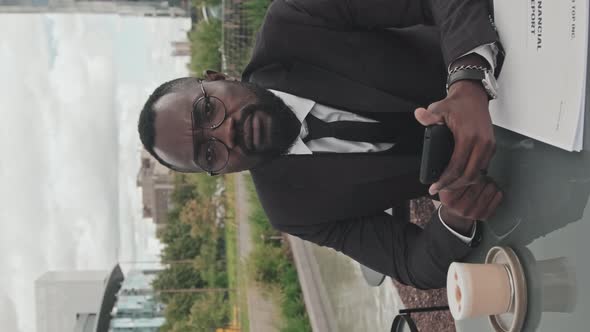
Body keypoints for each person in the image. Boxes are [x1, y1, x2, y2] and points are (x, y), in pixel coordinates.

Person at [138, 0, 505, 289]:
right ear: (217, 171)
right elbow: (410, 263)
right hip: (507, 172)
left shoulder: (294, 21)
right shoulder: (291, 209)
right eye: (208, 152)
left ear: (217, 77)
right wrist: (456, 213)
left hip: (506, 65)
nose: (225, 132)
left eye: (207, 109)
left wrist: (468, 79)